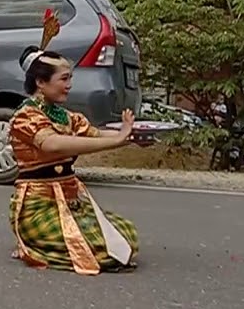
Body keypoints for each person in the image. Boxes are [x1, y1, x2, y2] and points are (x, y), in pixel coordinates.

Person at [8, 39, 146, 275]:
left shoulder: (66, 116)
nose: (70, 85)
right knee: (101, 246)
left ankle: (45, 247)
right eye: (64, 79)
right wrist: (115, 141)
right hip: (38, 207)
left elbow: (96, 134)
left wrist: (131, 135)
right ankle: (31, 243)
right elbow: (53, 144)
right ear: (41, 82)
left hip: (71, 201)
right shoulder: (26, 116)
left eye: (70, 78)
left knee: (126, 233)